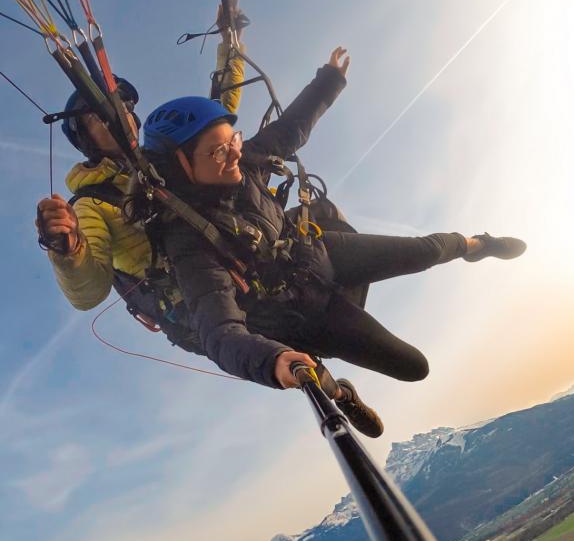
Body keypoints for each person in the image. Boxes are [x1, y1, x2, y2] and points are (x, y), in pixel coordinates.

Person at [126, 47, 526, 438]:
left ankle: (478, 245)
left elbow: (292, 129)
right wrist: (273, 360)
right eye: (217, 151)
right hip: (301, 313)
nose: (233, 153)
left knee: (425, 250)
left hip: (317, 252)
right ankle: (341, 394)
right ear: (180, 168)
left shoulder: (245, 160)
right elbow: (220, 332)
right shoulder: (189, 242)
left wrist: (329, 80)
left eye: (233, 139)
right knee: (413, 366)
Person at [35, 3, 245, 349]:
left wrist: (230, 41)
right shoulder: (91, 203)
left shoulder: (165, 154)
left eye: (124, 106)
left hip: (239, 268)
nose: (118, 115)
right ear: (86, 139)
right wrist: (66, 245)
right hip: (197, 306)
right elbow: (89, 292)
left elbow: (217, 115)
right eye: (98, 116)